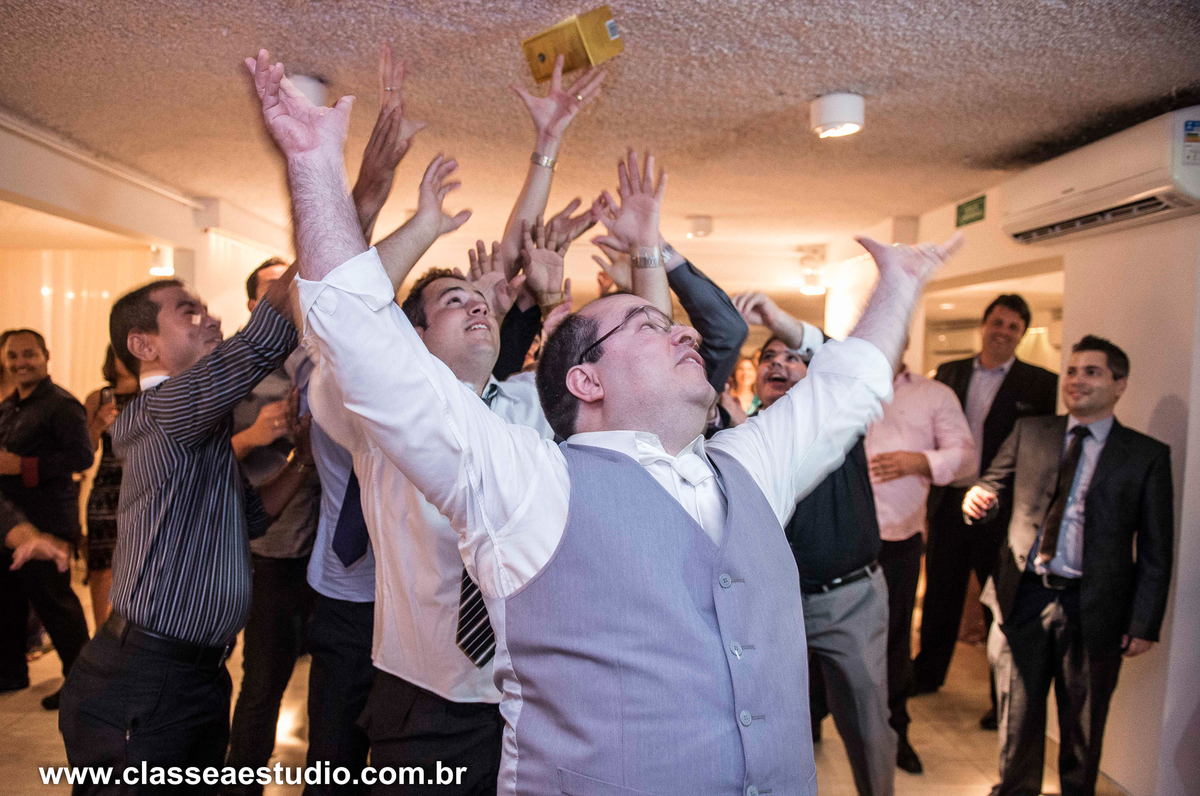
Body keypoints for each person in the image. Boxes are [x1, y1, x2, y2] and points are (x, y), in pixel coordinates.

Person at [246, 48, 961, 795]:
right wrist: (313, 164)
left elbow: (845, 389)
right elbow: (362, 341)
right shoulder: (531, 479)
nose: (688, 334)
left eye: (671, 324)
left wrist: (899, 286)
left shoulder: (747, 467)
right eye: (654, 328)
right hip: (434, 699)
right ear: (584, 379)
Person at [58, 262, 297, 792]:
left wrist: (303, 458)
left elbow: (253, 517)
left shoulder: (199, 422)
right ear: (143, 346)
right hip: (144, 678)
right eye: (189, 311)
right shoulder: (166, 408)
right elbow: (259, 344)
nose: (211, 318)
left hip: (197, 677)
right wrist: (342, 208)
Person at [963, 336, 1173, 796]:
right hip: (1025, 594)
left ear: (1120, 385)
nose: (1077, 380)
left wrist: (1144, 621)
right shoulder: (1031, 431)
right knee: (1016, 716)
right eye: (1073, 371)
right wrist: (977, 499)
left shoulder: (1145, 455)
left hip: (1094, 604)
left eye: (1092, 372)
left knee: (1082, 720)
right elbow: (991, 488)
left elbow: (1157, 548)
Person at [734, 291, 895, 796]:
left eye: (793, 358)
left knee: (868, 726)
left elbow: (843, 361)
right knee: (767, 725)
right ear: (755, 378)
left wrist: (781, 323)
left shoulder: (837, 426)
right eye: (769, 359)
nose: (780, 364)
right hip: (773, 608)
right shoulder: (741, 436)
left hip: (851, 600)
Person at [914, 294, 1058, 730]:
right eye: (997, 322)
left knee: (1001, 599)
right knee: (941, 592)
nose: (1003, 331)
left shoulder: (1041, 384)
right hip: (949, 502)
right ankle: (927, 674)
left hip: (1003, 510)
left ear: (1021, 334)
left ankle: (1003, 696)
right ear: (983, 324)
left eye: (1014, 326)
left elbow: (1045, 450)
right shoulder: (951, 373)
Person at [222, 258, 323, 796]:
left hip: (338, 553)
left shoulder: (331, 357)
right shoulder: (232, 374)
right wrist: (255, 436)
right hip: (273, 551)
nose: (289, 298)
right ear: (254, 307)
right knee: (263, 683)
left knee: (336, 688)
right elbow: (198, 462)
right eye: (275, 291)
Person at [864, 351, 975, 774]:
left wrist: (920, 461)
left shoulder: (934, 394)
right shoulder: (841, 385)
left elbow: (966, 457)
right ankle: (813, 723)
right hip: (838, 537)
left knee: (893, 643)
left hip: (898, 540)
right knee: (817, 636)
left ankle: (897, 734)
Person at [0, 328, 93, 711]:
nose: (21, 362)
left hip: (46, 525)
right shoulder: (9, 407)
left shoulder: (61, 405)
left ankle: (84, 684)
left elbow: (81, 458)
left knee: (57, 607)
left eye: (29, 354)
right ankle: (9, 674)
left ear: (45, 355)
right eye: (13, 356)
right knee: (7, 603)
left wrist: (25, 466)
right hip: (9, 527)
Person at [83, 345, 140, 629]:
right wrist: (97, 425)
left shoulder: (156, 392)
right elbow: (84, 452)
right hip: (106, 488)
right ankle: (101, 633)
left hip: (145, 487)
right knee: (102, 565)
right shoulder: (99, 397)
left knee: (142, 562)